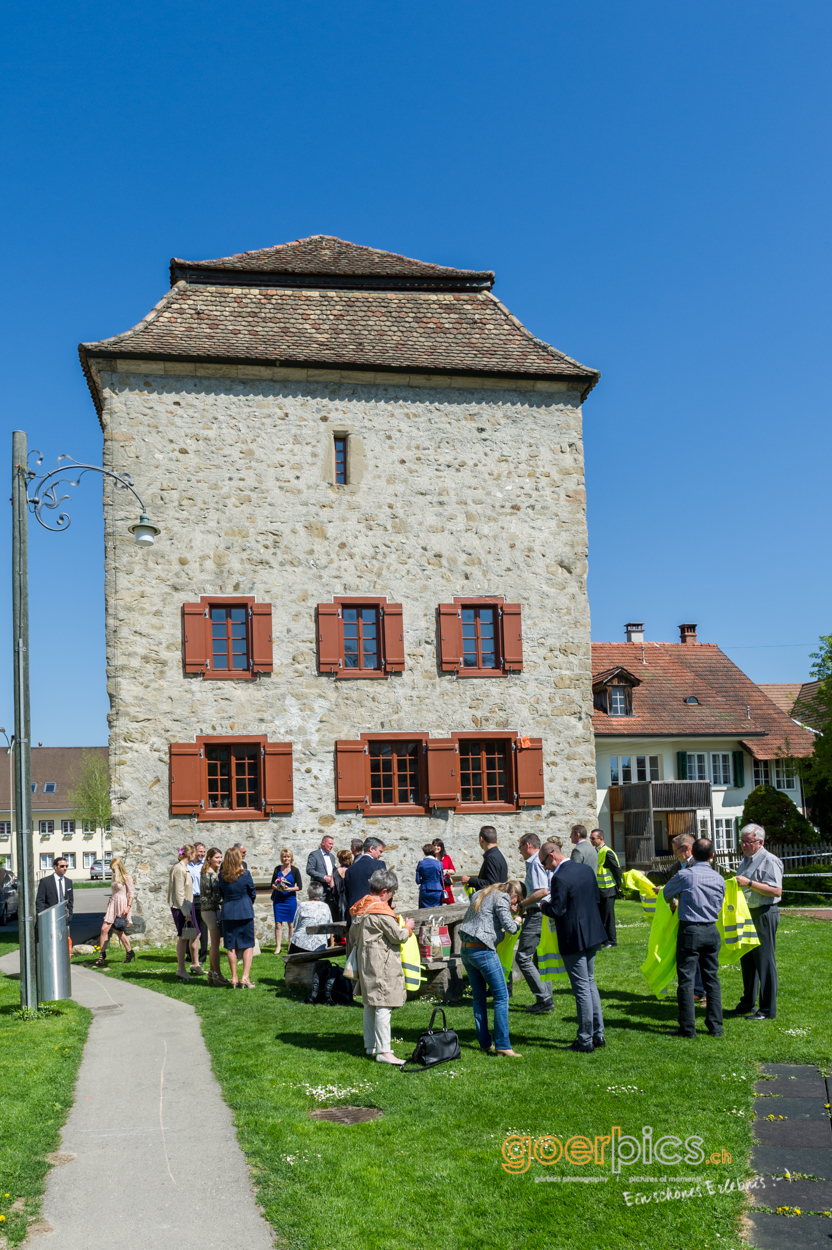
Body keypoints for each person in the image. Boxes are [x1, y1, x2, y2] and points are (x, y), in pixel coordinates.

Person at [540, 839, 607, 1052]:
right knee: (590, 982)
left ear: (552, 855)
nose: (545, 867)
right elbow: (596, 897)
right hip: (592, 932)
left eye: (544, 863)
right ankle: (598, 1034)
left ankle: (585, 1039)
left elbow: (557, 910)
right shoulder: (586, 870)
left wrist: (543, 905)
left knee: (581, 989)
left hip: (574, 937)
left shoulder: (559, 877)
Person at [350, 869, 415, 1065]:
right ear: (384, 891)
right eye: (392, 892)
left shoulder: (361, 906)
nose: (391, 897)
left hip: (366, 958)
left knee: (371, 1002)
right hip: (381, 961)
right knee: (384, 1003)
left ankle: (371, 1045)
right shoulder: (380, 910)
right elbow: (398, 936)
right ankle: (384, 1051)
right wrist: (408, 927)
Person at [662, 837, 725, 1038]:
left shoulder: (685, 875)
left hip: (690, 930)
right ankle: (715, 1026)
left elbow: (665, 893)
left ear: (692, 854)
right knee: (712, 979)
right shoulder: (719, 878)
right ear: (712, 856)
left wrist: (676, 901)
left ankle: (688, 1028)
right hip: (711, 929)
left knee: (687, 980)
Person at [458, 879, 524, 1057]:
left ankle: (485, 1043)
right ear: (514, 895)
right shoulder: (502, 897)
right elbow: (510, 928)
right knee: (501, 996)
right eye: (517, 902)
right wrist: (517, 919)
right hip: (483, 951)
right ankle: (503, 1044)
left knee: (479, 998)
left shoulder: (481, 893)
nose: (515, 905)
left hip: (466, 949)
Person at [733, 822, 783, 1020]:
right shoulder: (746, 860)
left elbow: (776, 891)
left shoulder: (769, 861)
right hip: (747, 914)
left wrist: (750, 883)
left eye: (748, 842)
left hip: (764, 912)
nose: (744, 845)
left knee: (764, 961)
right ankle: (747, 1003)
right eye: (742, 841)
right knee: (747, 960)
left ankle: (767, 1009)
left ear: (760, 842)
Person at [514, 833, 554, 1014]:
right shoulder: (541, 861)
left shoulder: (535, 862)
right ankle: (546, 999)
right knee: (541, 959)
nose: (519, 851)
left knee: (523, 956)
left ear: (527, 845)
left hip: (537, 913)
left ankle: (544, 999)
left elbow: (542, 891)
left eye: (520, 847)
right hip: (544, 913)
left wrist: (521, 904)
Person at [215, 847, 258, 989]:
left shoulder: (221, 876)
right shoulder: (245, 874)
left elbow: (220, 894)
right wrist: (246, 903)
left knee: (230, 945)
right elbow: (252, 892)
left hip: (227, 911)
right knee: (248, 944)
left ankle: (234, 977)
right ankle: (245, 977)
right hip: (244, 911)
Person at [671, 833, 706, 1003]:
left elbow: (699, 892)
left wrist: (677, 900)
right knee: (693, 958)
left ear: (686, 848)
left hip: (697, 919)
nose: (675, 854)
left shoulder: (697, 867)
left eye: (676, 850)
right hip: (692, 919)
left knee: (697, 958)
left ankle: (700, 992)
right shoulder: (681, 865)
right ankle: (699, 991)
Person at [167, 844, 203, 981]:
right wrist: (186, 911)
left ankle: (195, 964)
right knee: (183, 936)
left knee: (196, 934)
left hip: (188, 905)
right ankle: (181, 969)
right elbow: (179, 893)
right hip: (181, 907)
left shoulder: (184, 868)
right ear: (190, 854)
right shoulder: (178, 869)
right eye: (194, 853)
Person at [93, 857, 134, 967]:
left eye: (113, 868)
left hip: (122, 904)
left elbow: (131, 894)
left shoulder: (127, 878)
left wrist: (128, 907)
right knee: (103, 929)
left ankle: (129, 952)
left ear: (118, 867)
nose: (112, 871)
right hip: (113, 903)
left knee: (119, 931)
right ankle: (102, 955)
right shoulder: (114, 877)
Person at [200, 847, 230, 986]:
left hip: (206, 910)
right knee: (215, 944)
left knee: (214, 943)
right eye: (217, 857)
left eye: (220, 857)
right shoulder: (211, 875)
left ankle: (212, 973)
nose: (219, 860)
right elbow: (216, 897)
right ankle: (218, 974)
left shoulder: (205, 872)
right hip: (211, 911)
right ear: (209, 858)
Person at [589, 828, 622, 948]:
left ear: (601, 839)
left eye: (593, 838)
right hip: (600, 889)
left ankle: (612, 941)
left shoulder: (607, 852)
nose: (591, 840)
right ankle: (604, 939)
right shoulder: (597, 851)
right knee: (601, 915)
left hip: (608, 888)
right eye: (590, 838)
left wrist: (619, 886)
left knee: (608, 916)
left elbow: (616, 870)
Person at [344, 837, 386, 915]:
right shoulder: (379, 865)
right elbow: (384, 889)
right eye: (380, 851)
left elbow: (347, 895)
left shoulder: (350, 869)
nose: (381, 855)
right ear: (371, 848)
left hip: (354, 914)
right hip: (372, 913)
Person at [271, 849, 302, 952]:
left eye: (288, 857)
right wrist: (278, 888)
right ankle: (278, 947)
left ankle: (290, 945)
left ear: (291, 858)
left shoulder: (295, 870)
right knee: (278, 923)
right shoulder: (277, 869)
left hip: (290, 899)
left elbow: (300, 886)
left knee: (291, 924)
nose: (286, 859)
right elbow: (272, 884)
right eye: (284, 857)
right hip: (278, 900)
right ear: (282, 858)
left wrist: (289, 889)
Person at [289, 883, 335, 953]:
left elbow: (295, 926)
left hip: (301, 944)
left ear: (309, 894)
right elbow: (330, 926)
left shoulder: (303, 905)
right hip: (319, 945)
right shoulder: (326, 907)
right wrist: (332, 945)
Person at [460, 826, 507, 891]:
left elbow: (492, 884)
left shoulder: (491, 858)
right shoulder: (497, 855)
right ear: (496, 838)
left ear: (481, 839)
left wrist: (470, 880)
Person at [35, 854, 74, 919]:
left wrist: (69, 915)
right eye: (62, 866)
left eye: (66, 866)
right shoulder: (45, 882)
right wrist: (41, 917)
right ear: (55, 867)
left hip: (64, 917)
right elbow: (40, 901)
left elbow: (70, 901)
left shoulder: (68, 882)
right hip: (49, 917)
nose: (65, 868)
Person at [307, 835, 337, 916]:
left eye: (332, 844)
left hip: (330, 891)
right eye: (330, 844)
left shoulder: (332, 857)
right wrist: (324, 877)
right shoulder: (314, 854)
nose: (331, 846)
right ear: (323, 843)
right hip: (319, 890)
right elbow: (309, 870)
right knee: (318, 913)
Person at [190, 841, 208, 966]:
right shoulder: (188, 865)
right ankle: (190, 954)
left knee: (203, 928)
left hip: (201, 898)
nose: (202, 854)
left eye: (204, 852)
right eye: (200, 851)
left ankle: (203, 955)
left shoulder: (205, 865)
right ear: (195, 851)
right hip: (190, 899)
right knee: (190, 927)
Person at [415, 844, 444, 909]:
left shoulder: (421, 863)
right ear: (433, 852)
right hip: (437, 890)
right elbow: (442, 880)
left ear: (424, 852)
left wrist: (424, 881)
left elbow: (417, 880)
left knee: (423, 912)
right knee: (437, 911)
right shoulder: (439, 863)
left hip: (425, 890)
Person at [331, 849, 354, 927]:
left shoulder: (335, 870)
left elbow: (332, 885)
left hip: (338, 899)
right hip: (349, 898)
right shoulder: (351, 870)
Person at [432, 838, 456, 904]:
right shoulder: (431, 859)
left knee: (451, 906)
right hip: (435, 887)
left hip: (446, 886)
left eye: (438, 846)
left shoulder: (447, 857)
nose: (436, 847)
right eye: (434, 845)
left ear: (441, 847)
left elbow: (453, 871)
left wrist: (446, 871)